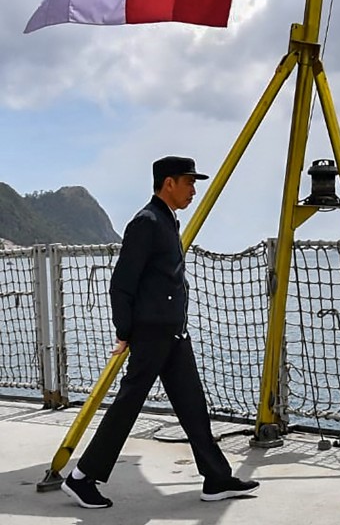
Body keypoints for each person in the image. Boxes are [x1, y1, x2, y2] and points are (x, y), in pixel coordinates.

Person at [62, 156, 259, 509]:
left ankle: (216, 478)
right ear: (169, 183)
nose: (193, 190)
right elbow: (121, 283)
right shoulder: (147, 222)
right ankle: (82, 477)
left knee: (192, 405)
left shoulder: (166, 221)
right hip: (152, 334)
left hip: (172, 332)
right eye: (188, 182)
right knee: (128, 405)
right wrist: (125, 331)